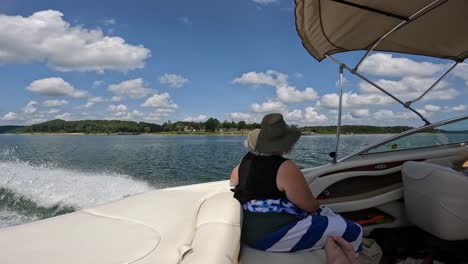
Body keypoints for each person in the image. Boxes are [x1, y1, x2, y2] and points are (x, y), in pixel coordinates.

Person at [231, 113, 362, 253]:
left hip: (247, 229)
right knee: (354, 231)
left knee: (327, 216)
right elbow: (309, 206)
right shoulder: (285, 167)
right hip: (272, 235)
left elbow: (234, 180)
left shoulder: (246, 160)